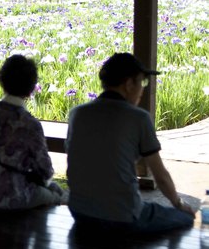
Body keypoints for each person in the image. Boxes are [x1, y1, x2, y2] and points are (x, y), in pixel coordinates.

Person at [65, 52, 195, 233]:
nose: (142, 89)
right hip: (123, 217)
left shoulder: (77, 113)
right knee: (186, 217)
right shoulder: (139, 118)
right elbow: (161, 177)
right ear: (128, 84)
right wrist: (179, 204)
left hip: (80, 212)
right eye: (141, 82)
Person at [0, 54, 64, 210]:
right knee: (55, 194)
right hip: (9, 197)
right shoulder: (30, 123)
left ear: (2, 81)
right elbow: (45, 170)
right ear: (31, 88)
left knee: (50, 189)